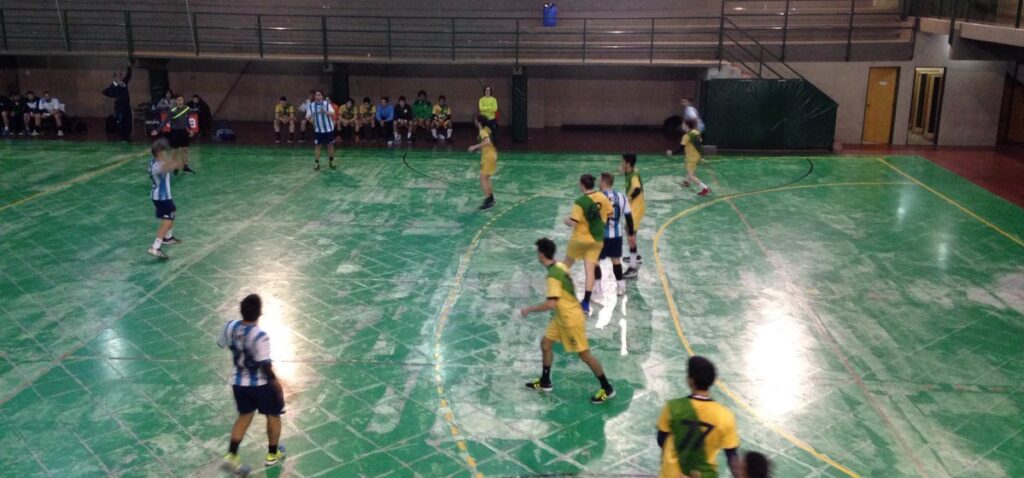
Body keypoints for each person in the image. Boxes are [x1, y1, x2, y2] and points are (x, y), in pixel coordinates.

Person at [521, 238, 615, 404]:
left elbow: (551, 303)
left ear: (541, 254)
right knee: (545, 344)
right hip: (561, 317)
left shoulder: (553, 276)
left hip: (571, 319)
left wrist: (529, 309)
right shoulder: (560, 266)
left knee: (585, 355)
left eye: (537, 252)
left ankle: (607, 387)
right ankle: (545, 381)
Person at [218, 294, 287, 472]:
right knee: (273, 416)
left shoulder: (230, 326)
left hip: (239, 383)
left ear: (241, 311)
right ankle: (272, 454)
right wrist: (276, 383)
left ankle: (232, 454)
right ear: (259, 313)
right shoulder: (260, 336)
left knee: (244, 416)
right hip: (261, 385)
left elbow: (220, 343)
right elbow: (265, 365)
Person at [656, 356, 741, 478]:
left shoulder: (672, 407)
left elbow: (661, 440)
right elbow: (732, 457)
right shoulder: (726, 416)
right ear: (712, 381)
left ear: (690, 380)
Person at [563, 174, 612, 314]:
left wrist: (565, 220)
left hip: (579, 240)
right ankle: (585, 303)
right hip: (597, 240)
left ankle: (561, 293)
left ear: (582, 185)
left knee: (566, 264)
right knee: (590, 270)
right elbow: (610, 214)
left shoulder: (580, 202)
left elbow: (573, 222)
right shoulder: (603, 197)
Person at [593, 172, 634, 299]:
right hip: (617, 235)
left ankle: (598, 289)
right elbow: (628, 216)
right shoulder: (622, 196)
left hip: (600, 236)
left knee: (595, 261)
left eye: (600, 181)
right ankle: (621, 287)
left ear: (604, 182)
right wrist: (631, 234)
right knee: (616, 261)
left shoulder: (597, 197)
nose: (599, 183)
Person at [146, 138, 184, 259]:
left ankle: (168, 238)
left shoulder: (153, 161)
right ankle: (155, 247)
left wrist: (174, 154)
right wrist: (177, 153)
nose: (166, 153)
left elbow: (173, 167)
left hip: (158, 197)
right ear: (160, 153)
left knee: (172, 212)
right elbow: (175, 165)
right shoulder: (159, 165)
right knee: (167, 221)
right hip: (162, 198)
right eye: (165, 151)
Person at [151, 94, 196, 175]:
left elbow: (187, 121)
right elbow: (164, 121)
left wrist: (190, 130)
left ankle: (185, 167)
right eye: (178, 100)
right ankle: (175, 168)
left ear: (183, 100)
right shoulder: (172, 110)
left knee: (185, 149)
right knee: (176, 151)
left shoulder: (187, 109)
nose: (180, 102)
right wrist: (157, 130)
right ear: (176, 101)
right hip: (175, 132)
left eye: (181, 100)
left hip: (184, 132)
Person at [667, 118, 709, 196]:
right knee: (689, 169)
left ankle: (705, 188)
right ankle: (687, 182)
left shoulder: (686, 136)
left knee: (691, 175)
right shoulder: (696, 132)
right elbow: (699, 146)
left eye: (683, 124)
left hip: (691, 158)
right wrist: (702, 156)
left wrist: (672, 153)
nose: (682, 126)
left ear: (687, 125)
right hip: (697, 156)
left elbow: (681, 148)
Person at [620, 154, 645, 278]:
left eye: (622, 162)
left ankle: (633, 267)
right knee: (630, 232)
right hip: (634, 207)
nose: (621, 163)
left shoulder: (633, 175)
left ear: (628, 163)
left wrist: (626, 199)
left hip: (636, 208)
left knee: (631, 236)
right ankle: (635, 257)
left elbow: (637, 190)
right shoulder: (631, 171)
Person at [467, 115, 497, 210]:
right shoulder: (487, 129)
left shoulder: (482, 131)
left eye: (475, 120)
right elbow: (488, 143)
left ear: (479, 122)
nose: (474, 121)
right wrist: (479, 149)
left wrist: (474, 147)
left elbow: (487, 142)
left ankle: (489, 200)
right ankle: (490, 197)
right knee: (486, 177)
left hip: (489, 156)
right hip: (491, 155)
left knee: (483, 178)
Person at [305, 90, 336, 171]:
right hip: (318, 130)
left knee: (330, 146)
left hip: (328, 129)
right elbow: (307, 116)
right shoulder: (311, 106)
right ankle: (317, 163)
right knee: (318, 146)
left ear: (322, 96)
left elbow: (333, 114)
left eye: (319, 95)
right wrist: (310, 119)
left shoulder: (327, 104)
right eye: (316, 95)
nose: (317, 96)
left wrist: (325, 112)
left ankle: (331, 161)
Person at [103, 64, 133, 141]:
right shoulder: (113, 85)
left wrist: (129, 67)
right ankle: (122, 137)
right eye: (118, 76)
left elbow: (128, 75)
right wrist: (113, 95)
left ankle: (127, 136)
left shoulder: (124, 83)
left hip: (126, 106)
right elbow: (105, 92)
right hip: (119, 107)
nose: (120, 77)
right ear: (115, 77)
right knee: (121, 121)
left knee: (128, 121)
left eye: (121, 75)